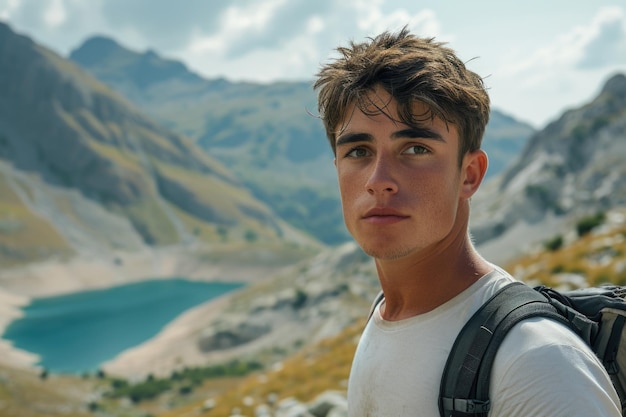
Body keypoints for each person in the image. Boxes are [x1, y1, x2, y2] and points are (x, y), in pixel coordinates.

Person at [313, 27, 621, 417]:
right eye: (358, 151)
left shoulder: (537, 363)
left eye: (416, 148)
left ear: (470, 174)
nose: (378, 182)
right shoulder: (387, 314)